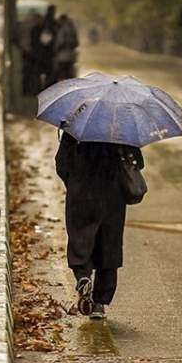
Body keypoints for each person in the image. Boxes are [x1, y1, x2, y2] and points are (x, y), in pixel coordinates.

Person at [55, 131, 144, 320]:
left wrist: (74, 183)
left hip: (81, 192)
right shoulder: (123, 128)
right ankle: (99, 303)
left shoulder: (76, 128)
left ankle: (83, 277)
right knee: (109, 245)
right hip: (113, 195)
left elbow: (62, 163)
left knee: (80, 239)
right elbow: (137, 162)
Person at [53, 13, 79, 80]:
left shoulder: (62, 29)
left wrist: (55, 50)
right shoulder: (73, 28)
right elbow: (76, 42)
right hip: (71, 55)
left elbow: (60, 41)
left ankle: (62, 88)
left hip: (62, 56)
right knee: (70, 73)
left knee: (62, 74)